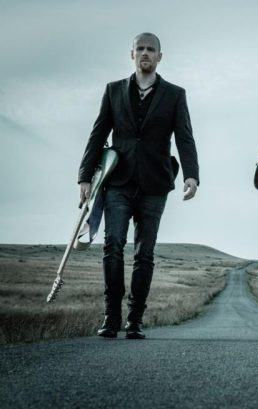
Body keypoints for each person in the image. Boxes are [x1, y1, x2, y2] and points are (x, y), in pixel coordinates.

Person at [78, 33, 199, 339]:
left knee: (144, 253)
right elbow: (97, 134)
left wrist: (192, 175)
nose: (145, 53)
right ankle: (111, 317)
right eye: (140, 49)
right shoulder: (113, 90)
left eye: (151, 49)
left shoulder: (175, 94)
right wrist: (84, 176)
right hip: (117, 182)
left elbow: (184, 136)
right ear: (132, 54)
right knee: (113, 245)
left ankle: (135, 320)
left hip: (155, 184)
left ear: (160, 56)